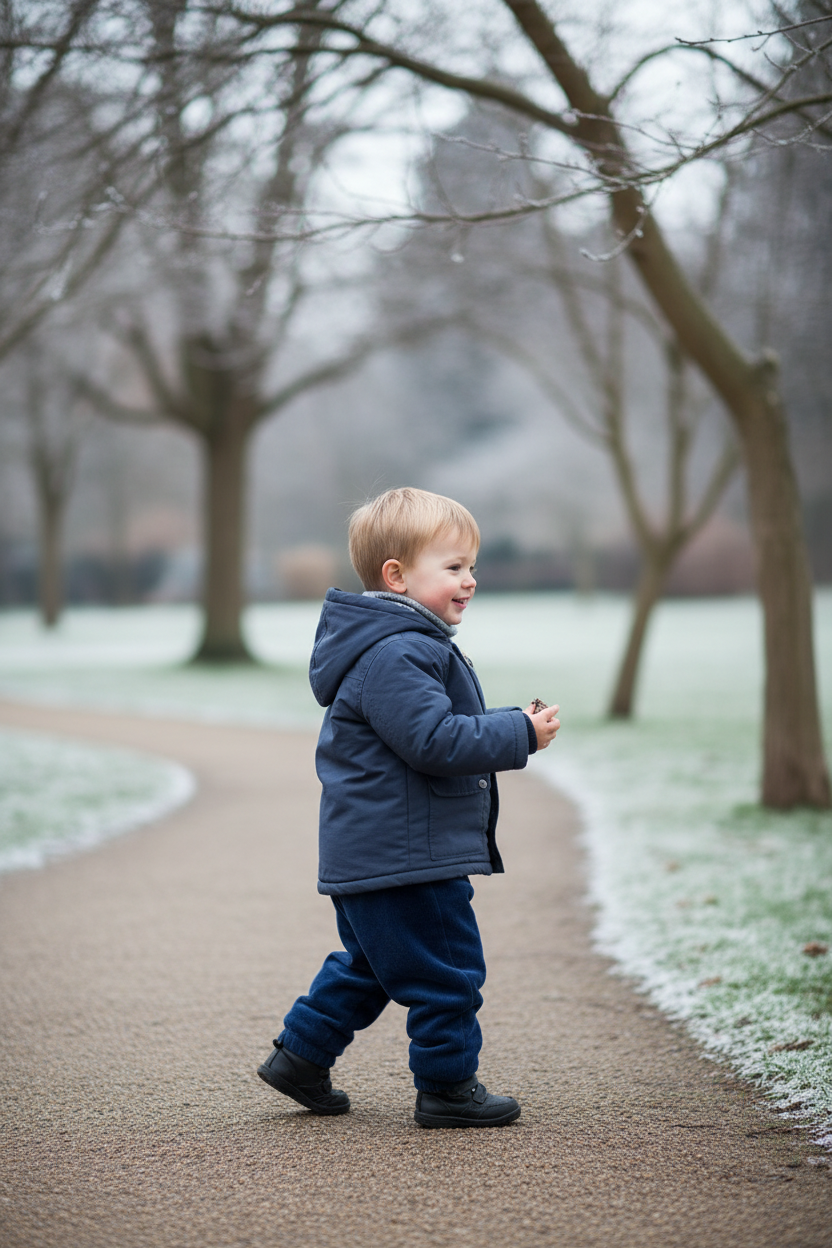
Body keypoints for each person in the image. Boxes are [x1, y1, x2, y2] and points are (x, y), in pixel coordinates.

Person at [257, 487, 560, 1128]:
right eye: (453, 568)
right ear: (396, 575)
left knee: (371, 966)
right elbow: (434, 741)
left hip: (376, 853)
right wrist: (518, 734)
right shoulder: (398, 653)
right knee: (447, 969)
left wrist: (505, 721)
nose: (470, 581)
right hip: (408, 857)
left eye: (471, 567)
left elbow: (432, 729)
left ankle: (300, 1059)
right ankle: (448, 1089)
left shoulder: (399, 644)